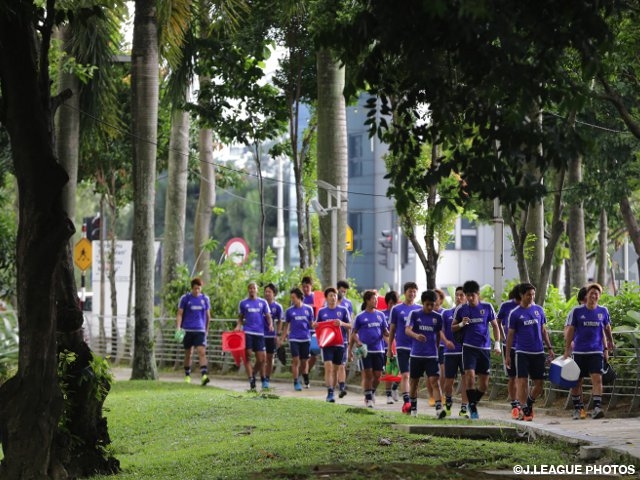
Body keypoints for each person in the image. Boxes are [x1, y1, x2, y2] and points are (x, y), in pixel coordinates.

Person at [563, 283, 615, 419]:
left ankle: (597, 408)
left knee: (597, 379)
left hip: (596, 351)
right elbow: (570, 331)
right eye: (591, 293)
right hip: (579, 352)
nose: (594, 295)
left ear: (599, 296)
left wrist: (608, 345)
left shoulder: (603, 311)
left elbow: (606, 329)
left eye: (596, 293)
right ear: (586, 295)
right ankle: (578, 409)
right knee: (576, 381)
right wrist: (567, 349)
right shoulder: (577, 311)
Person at [452, 280, 501, 419]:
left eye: (472, 295)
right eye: (467, 295)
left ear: (478, 294)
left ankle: (473, 403)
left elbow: (495, 326)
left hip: (484, 348)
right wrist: (462, 323)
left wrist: (497, 344)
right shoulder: (461, 309)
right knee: (470, 376)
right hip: (468, 348)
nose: (470, 298)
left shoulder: (487, 307)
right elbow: (453, 327)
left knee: (484, 384)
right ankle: (472, 408)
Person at [505, 283, 554, 421]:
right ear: (521, 295)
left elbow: (543, 330)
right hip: (521, 352)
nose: (531, 297)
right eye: (528, 295)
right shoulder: (515, 314)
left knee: (539, 384)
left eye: (533, 294)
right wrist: (508, 355)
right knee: (522, 382)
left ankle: (529, 404)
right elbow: (510, 335)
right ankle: (523, 410)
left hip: (538, 352)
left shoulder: (539, 310)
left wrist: (549, 348)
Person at [405, 290, 454, 418]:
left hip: (431, 356)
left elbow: (438, 334)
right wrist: (417, 336)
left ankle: (439, 410)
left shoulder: (437, 317)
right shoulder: (414, 314)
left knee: (435, 381)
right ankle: (413, 408)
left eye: (432, 304)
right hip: (416, 355)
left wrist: (436, 349)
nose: (430, 307)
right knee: (414, 382)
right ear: (423, 302)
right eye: (427, 304)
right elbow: (407, 330)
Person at [350, 290, 389, 408]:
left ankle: (371, 392)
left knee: (377, 376)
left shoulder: (381, 315)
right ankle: (368, 398)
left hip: (379, 350)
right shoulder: (360, 317)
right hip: (366, 350)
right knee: (368, 374)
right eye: (374, 299)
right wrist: (358, 342)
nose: (376, 301)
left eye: (377, 299)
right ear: (367, 300)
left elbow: (385, 332)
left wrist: (390, 336)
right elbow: (354, 333)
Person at [387, 281, 422, 414]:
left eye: (414, 291)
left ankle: (412, 401)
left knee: (415, 377)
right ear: (405, 292)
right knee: (405, 375)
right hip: (402, 346)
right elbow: (392, 330)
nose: (412, 294)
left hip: (417, 348)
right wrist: (390, 348)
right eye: (410, 291)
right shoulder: (396, 309)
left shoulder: (419, 309)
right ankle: (407, 402)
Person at [315, 287, 351, 402]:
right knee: (328, 366)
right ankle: (329, 392)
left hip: (340, 343)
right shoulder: (322, 311)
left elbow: (350, 325)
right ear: (326, 298)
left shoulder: (343, 310)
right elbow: (317, 325)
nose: (333, 297)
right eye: (330, 295)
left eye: (335, 295)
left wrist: (341, 323)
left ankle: (337, 389)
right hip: (327, 343)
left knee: (337, 368)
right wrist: (315, 325)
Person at [236, 282, 273, 390]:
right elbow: (240, 317)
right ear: (248, 290)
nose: (252, 290)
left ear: (257, 290)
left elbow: (268, 316)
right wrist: (238, 325)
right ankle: (251, 379)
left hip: (259, 333)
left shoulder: (263, 302)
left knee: (261, 359)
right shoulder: (243, 303)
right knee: (247, 355)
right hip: (248, 332)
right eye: (250, 288)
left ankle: (254, 373)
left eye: (254, 288)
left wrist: (270, 324)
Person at [176, 277, 211, 386]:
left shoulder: (205, 299)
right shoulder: (185, 298)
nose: (197, 291)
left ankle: (204, 375)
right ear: (192, 288)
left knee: (202, 352)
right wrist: (178, 327)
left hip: (200, 330)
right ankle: (187, 375)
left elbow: (208, 316)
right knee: (188, 354)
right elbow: (180, 314)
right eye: (195, 289)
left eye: (199, 289)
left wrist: (206, 330)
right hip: (187, 330)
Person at [442, 286, 469, 417]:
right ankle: (447, 402)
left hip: (466, 352)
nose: (459, 297)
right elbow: (440, 331)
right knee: (448, 381)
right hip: (450, 352)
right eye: (457, 295)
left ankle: (464, 408)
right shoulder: (446, 313)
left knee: (466, 380)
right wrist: (446, 342)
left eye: (461, 295)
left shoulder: (470, 314)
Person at [281, 287, 315, 391]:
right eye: (291, 298)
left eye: (294, 298)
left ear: (299, 297)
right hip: (294, 339)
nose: (292, 300)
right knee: (295, 360)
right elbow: (286, 326)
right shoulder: (289, 311)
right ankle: (296, 382)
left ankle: (305, 377)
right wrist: (282, 338)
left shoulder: (308, 309)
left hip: (306, 338)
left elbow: (311, 324)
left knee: (304, 362)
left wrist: (316, 326)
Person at [497, 284, 522, 419]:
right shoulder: (506, 306)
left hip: (524, 347)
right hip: (510, 346)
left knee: (522, 377)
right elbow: (498, 321)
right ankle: (514, 405)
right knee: (513, 377)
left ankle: (523, 404)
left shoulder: (530, 305)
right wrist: (502, 335)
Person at [425, 288, 447, 407]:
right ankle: (432, 396)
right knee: (430, 374)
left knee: (442, 372)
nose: (436, 300)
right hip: (429, 346)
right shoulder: (425, 314)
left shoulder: (446, 313)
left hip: (442, 347)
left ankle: (440, 394)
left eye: (438, 297)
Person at [263, 283, 283, 389]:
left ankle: (267, 378)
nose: (267, 294)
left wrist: (278, 334)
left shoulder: (277, 307)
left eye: (269, 292)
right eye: (266, 291)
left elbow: (280, 321)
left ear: (274, 294)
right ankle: (261, 376)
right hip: (260, 335)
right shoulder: (261, 304)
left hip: (271, 336)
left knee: (270, 358)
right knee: (262, 357)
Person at [336, 280, 354, 397]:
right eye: (341, 290)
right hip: (331, 340)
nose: (343, 292)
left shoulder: (348, 304)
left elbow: (350, 322)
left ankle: (342, 386)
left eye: (345, 291)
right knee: (333, 365)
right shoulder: (328, 303)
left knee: (342, 364)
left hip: (343, 339)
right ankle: (332, 387)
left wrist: (350, 337)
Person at [382, 290, 400, 404]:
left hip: (399, 346)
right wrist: (389, 344)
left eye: (394, 303)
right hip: (386, 347)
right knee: (389, 372)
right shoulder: (383, 314)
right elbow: (383, 332)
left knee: (401, 371)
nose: (392, 305)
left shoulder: (399, 314)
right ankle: (388, 395)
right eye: (390, 303)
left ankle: (395, 387)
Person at [301, 276, 320, 378]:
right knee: (303, 356)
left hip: (314, 331)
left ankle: (305, 373)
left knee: (314, 355)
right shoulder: (300, 298)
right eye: (304, 287)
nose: (305, 289)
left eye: (307, 287)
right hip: (303, 330)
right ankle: (301, 375)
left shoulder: (317, 297)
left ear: (311, 286)